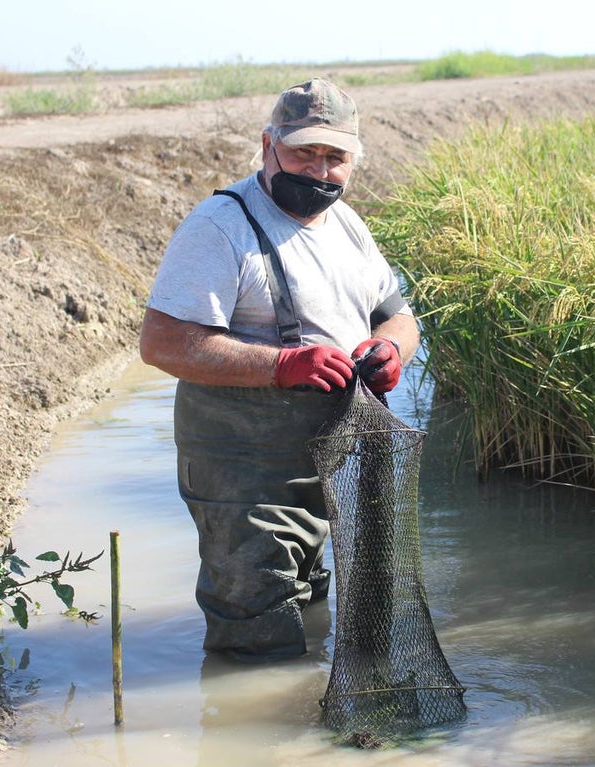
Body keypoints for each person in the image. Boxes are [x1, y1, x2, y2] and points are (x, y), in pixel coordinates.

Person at [139, 78, 421, 663]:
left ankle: (306, 725)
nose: (319, 170)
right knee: (255, 621)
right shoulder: (221, 227)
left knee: (311, 599)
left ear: (352, 161)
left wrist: (391, 351)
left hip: (331, 454)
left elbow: (400, 318)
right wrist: (282, 364)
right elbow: (163, 343)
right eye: (303, 152)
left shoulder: (348, 226)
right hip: (243, 468)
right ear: (269, 146)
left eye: (334, 157)